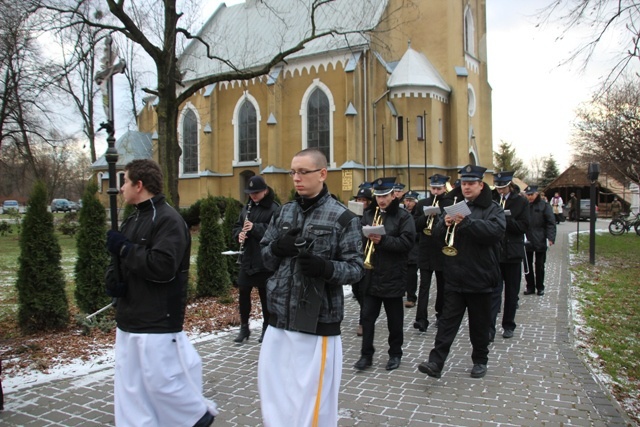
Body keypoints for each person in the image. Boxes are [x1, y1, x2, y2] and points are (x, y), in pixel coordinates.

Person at [105, 159, 217, 427]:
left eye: (125, 181)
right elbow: (120, 263)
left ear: (139, 185)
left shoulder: (168, 220)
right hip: (129, 317)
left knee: (161, 382)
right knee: (131, 388)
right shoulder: (134, 219)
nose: (121, 188)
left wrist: (125, 250)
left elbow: (163, 266)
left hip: (157, 319)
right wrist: (113, 282)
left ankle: (194, 417)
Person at [258, 148, 364, 426]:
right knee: (276, 395)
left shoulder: (344, 218)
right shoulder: (284, 213)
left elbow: (356, 270)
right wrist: (278, 248)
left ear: (322, 173)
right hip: (279, 319)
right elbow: (265, 258)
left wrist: (326, 268)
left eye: (303, 172)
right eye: (293, 172)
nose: (296, 178)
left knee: (312, 401)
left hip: (317, 324)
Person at [417, 164, 505, 379]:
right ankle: (436, 363)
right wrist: (443, 225)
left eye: (471, 184)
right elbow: (438, 237)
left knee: (479, 325)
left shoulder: (493, 208)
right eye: (464, 183)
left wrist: (467, 223)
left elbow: (495, 232)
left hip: (481, 275)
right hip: (455, 276)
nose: (466, 187)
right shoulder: (455, 205)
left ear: (480, 185)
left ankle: (480, 360)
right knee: (447, 323)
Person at [354, 177, 416, 372]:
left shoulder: (403, 217)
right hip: (371, 275)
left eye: (385, 196)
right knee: (367, 318)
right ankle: (366, 355)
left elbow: (407, 243)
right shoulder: (369, 214)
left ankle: (395, 354)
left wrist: (383, 240)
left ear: (393, 195)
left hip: (393, 275)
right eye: (378, 196)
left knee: (394, 321)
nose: (381, 200)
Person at [231, 176, 279, 343]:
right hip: (248, 258)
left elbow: (275, 232)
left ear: (265, 190)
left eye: (256, 192)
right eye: (250, 193)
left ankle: (267, 328)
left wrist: (255, 228)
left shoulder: (274, 208)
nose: (253, 196)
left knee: (265, 295)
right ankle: (244, 328)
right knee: (243, 291)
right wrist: (239, 234)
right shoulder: (247, 208)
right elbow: (237, 226)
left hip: (264, 259)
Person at [489, 171, 530, 341]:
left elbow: (524, 226)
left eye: (503, 187)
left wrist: (506, 220)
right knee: (493, 292)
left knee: (511, 292)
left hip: (513, 252)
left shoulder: (520, 201)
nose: (501, 191)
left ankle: (508, 325)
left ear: (509, 185)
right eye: (498, 187)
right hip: (495, 252)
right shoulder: (491, 199)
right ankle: (489, 327)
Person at [413, 174, 452, 331]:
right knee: (424, 286)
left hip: (442, 249)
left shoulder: (449, 204)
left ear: (444, 188)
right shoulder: (423, 203)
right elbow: (415, 225)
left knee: (443, 286)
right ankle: (421, 319)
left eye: (439, 188)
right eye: (433, 188)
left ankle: (441, 315)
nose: (436, 192)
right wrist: (426, 216)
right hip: (426, 249)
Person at [524, 185, 556, 296]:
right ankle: (530, 286)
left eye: (531, 195)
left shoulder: (544, 206)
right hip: (527, 239)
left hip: (540, 238)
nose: (529, 197)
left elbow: (551, 223)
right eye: (527, 195)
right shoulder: (525, 206)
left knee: (540, 265)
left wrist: (550, 238)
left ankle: (540, 287)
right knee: (527, 265)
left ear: (536, 194)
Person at [351, 183, 375, 336]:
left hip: (368, 255)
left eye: (363, 200)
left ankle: (363, 322)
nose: (361, 202)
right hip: (355, 255)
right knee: (355, 289)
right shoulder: (353, 214)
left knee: (364, 290)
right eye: (358, 199)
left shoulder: (372, 214)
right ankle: (366, 311)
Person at [403, 190, 420, 308]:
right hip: (403, 247)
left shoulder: (418, 213)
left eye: (411, 201)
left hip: (414, 247)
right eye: (406, 200)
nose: (408, 203)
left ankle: (411, 297)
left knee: (411, 274)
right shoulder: (402, 213)